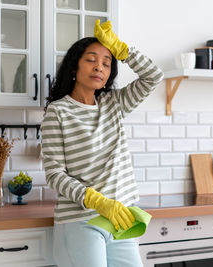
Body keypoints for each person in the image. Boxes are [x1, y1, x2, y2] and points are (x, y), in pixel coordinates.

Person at [41, 19, 164, 267]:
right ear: (74, 66)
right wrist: (97, 200)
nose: (99, 67)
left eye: (106, 63)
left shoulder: (114, 104)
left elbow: (154, 77)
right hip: (81, 220)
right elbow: (55, 174)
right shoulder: (58, 111)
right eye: (91, 59)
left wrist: (123, 50)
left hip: (120, 219)